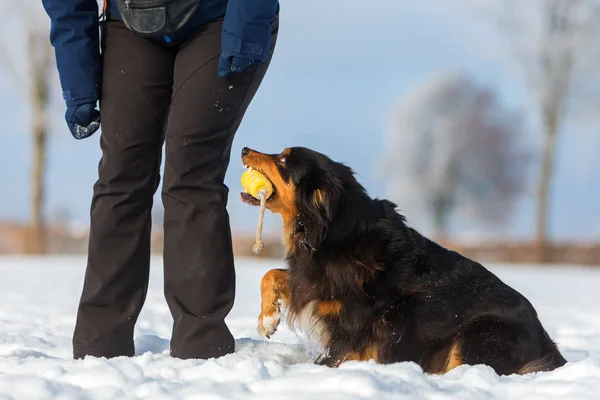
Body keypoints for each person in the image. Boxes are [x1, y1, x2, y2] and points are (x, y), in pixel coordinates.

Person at [40, 0, 279, 360]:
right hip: (132, 20)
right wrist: (79, 75)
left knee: (191, 169)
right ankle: (98, 351)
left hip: (221, 15)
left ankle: (203, 348)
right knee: (121, 175)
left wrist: (247, 26)